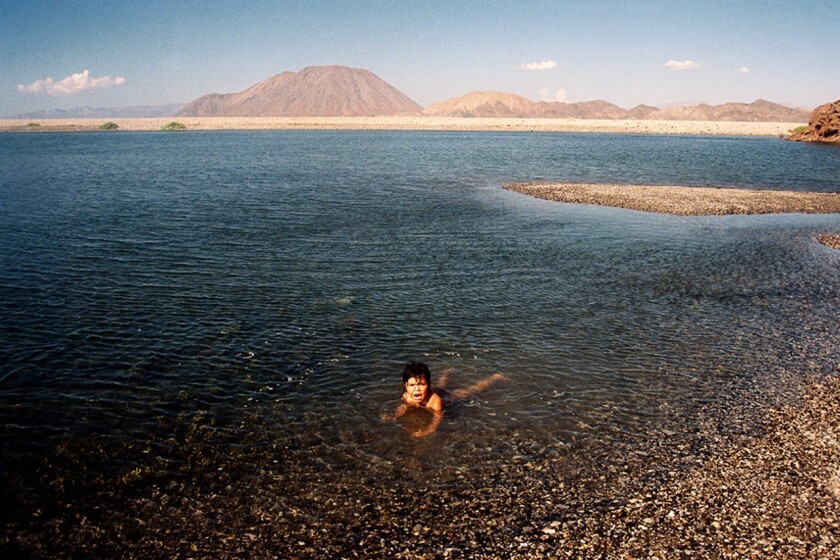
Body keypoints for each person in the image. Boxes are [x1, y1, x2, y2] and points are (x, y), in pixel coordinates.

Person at [382, 361, 505, 437]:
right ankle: (446, 372)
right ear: (405, 386)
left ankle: (495, 378)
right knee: (440, 385)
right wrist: (394, 416)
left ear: (428, 384)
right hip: (432, 392)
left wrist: (427, 431)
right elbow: (403, 407)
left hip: (447, 398)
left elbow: (437, 419)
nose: (417, 389)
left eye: (421, 384)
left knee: (470, 391)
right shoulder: (407, 397)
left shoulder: (435, 402)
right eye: (412, 385)